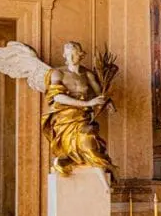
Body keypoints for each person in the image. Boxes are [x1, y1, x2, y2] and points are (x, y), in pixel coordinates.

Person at [44, 42, 114, 176]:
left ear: (80, 55)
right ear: (65, 55)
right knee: (71, 145)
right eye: (69, 54)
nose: (71, 57)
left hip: (83, 117)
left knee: (87, 140)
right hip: (65, 117)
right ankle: (68, 160)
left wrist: (107, 101)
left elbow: (100, 95)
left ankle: (87, 163)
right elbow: (57, 97)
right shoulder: (58, 73)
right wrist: (87, 103)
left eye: (74, 54)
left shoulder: (87, 74)